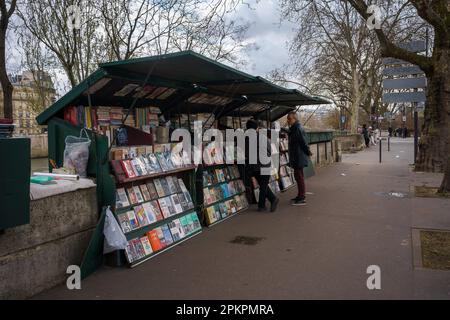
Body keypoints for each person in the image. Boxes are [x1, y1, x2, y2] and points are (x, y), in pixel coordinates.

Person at [245, 119, 279, 212]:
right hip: (264, 164)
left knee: (262, 185)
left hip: (254, 167)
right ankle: (263, 205)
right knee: (263, 185)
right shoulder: (262, 137)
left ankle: (271, 200)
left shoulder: (245, 139)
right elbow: (270, 150)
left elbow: (246, 154)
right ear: (257, 128)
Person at [283, 112, 313, 206]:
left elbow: (303, 142)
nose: (288, 120)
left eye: (290, 119)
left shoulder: (297, 128)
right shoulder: (295, 128)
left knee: (299, 177)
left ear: (295, 119)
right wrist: (285, 130)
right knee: (298, 176)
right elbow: (292, 133)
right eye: (287, 118)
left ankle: (302, 197)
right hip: (297, 156)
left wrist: (308, 152)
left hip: (298, 156)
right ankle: (300, 196)